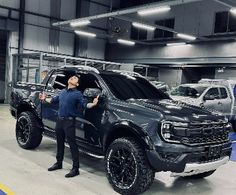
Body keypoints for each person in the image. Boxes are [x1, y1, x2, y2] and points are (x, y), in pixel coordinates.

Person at [39, 75, 99, 178]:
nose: (72, 78)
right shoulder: (62, 92)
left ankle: (75, 169)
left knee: (72, 145)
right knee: (60, 143)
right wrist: (45, 99)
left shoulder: (77, 94)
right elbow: (53, 100)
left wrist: (93, 104)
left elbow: (85, 104)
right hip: (59, 121)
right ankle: (58, 163)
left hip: (69, 122)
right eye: (72, 77)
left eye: (75, 78)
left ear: (77, 84)